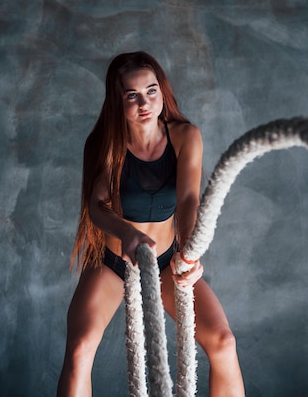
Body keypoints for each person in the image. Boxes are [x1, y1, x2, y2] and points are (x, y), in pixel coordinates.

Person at [57, 51, 245, 397]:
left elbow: (189, 200)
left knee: (223, 342)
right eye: (132, 95)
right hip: (113, 265)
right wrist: (128, 233)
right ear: (118, 101)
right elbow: (97, 207)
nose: (145, 102)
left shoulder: (186, 137)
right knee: (80, 349)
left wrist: (189, 253)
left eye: (152, 91)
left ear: (163, 92)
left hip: (165, 265)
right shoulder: (107, 144)